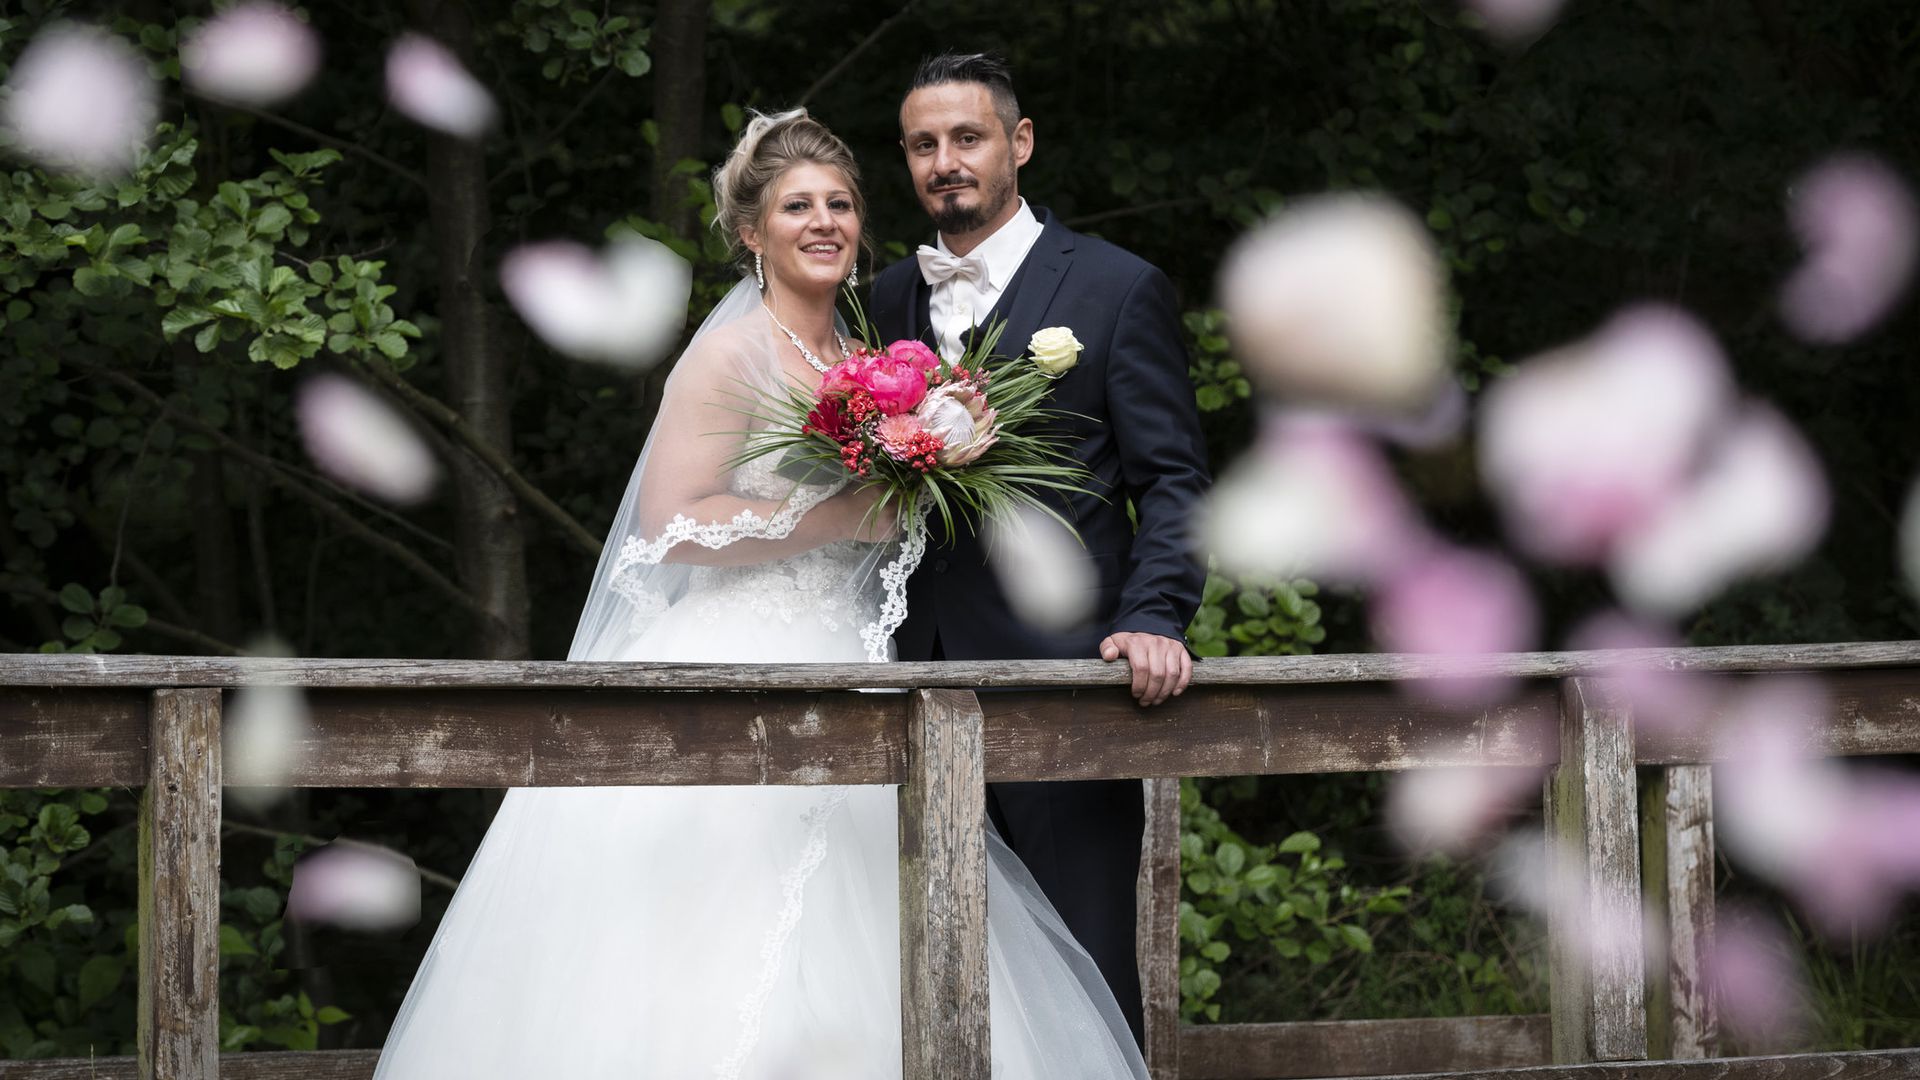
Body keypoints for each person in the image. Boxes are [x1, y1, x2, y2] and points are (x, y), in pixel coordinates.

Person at [372, 109, 1148, 1079]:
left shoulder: (867, 364)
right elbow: (671, 527)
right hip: (733, 670)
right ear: (752, 231)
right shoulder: (730, 354)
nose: (823, 221)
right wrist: (850, 512)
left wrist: (942, 441)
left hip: (860, 670)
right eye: (796, 206)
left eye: (839, 203)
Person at [871, 53, 1212, 1047]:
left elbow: (1174, 482)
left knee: (1084, 977)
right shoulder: (886, 300)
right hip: (909, 688)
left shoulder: (1117, 289)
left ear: (1018, 144)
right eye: (925, 145)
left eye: (967, 138)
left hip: (1065, 688)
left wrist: (1154, 617)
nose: (946, 162)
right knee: (921, 977)